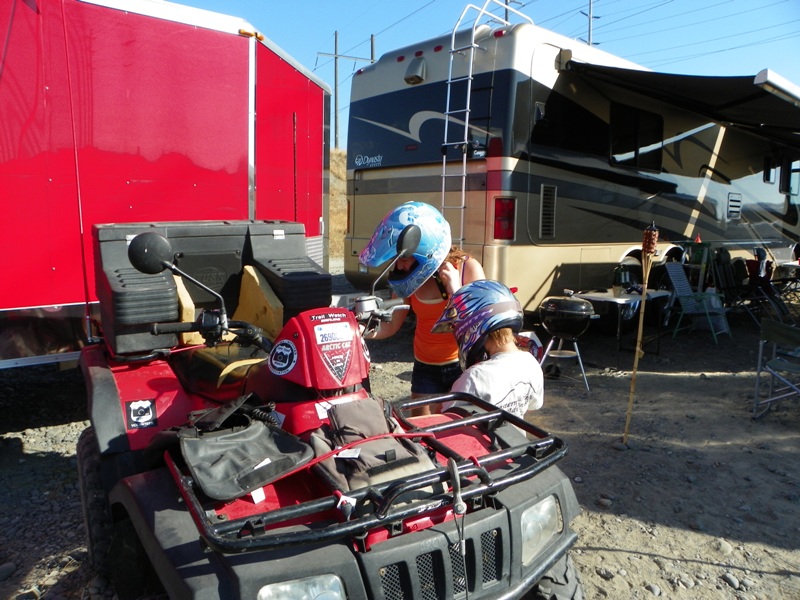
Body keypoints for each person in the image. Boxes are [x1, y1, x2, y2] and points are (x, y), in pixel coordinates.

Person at [359, 201, 485, 415]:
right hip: (425, 366)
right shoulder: (408, 280)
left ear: (425, 249)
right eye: (397, 260)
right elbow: (390, 326)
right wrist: (358, 331)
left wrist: (455, 291)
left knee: (456, 431)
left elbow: (480, 327)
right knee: (421, 434)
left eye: (404, 259)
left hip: (462, 366)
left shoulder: (466, 269)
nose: (399, 266)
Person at [431, 279, 544, 419]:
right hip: (516, 439)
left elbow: (440, 416)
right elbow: (533, 405)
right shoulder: (531, 363)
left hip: (479, 440)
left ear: (472, 326)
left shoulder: (476, 376)